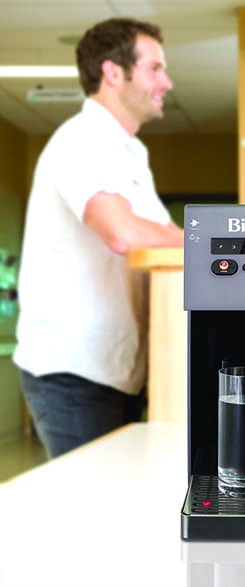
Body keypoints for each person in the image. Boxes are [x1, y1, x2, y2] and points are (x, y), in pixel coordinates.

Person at [13, 18, 184, 458]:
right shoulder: (82, 140)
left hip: (116, 370)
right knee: (92, 515)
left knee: (113, 507)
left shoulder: (131, 154)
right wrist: (235, 249)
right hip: (75, 373)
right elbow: (124, 232)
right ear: (113, 72)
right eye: (155, 68)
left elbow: (168, 236)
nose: (166, 81)